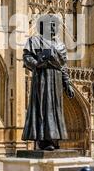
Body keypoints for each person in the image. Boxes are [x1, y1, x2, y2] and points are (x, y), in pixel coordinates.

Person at [22, 14, 74, 151]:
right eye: (49, 25)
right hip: (42, 77)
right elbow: (27, 57)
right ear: (42, 27)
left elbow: (63, 66)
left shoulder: (60, 44)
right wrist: (37, 63)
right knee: (42, 107)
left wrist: (67, 83)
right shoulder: (34, 41)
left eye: (54, 25)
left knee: (55, 108)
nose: (52, 28)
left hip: (56, 79)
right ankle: (44, 140)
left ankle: (54, 137)